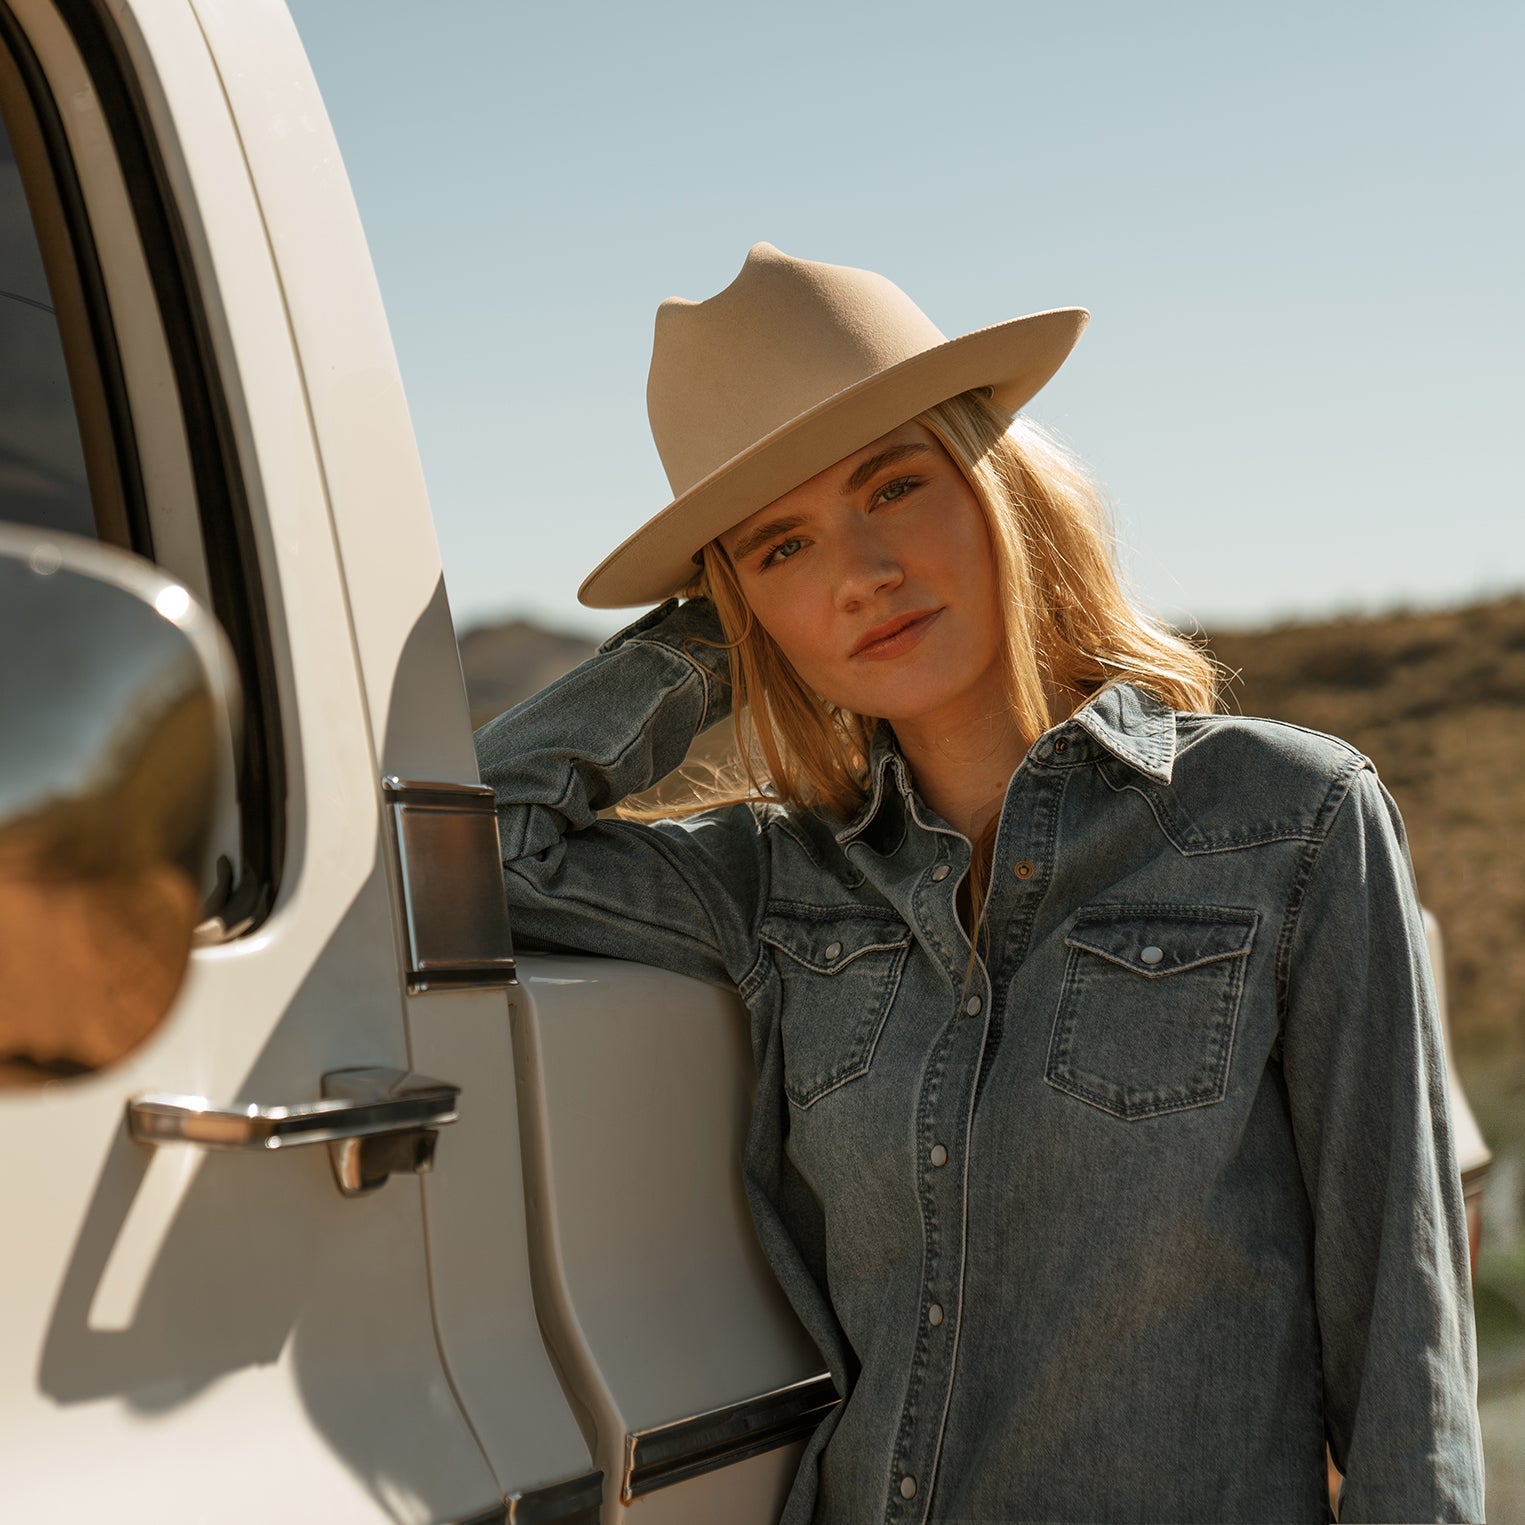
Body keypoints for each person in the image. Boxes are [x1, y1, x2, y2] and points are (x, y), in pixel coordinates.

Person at [474, 244, 1484, 1524]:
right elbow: (471, 845)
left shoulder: (1286, 820)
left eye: (894, 486)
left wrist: (772, 571)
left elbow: (1403, 1355)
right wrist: (712, 637)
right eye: (783, 545)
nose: (861, 573)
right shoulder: (775, 885)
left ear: (997, 483)